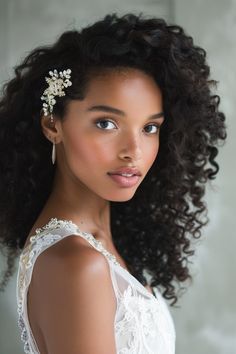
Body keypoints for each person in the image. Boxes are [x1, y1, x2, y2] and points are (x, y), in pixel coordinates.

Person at [0, 12, 226, 354]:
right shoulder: (76, 264)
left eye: (150, 128)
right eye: (106, 123)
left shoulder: (95, 246)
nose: (133, 152)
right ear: (52, 124)